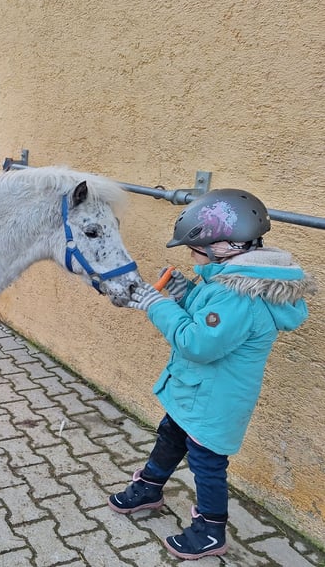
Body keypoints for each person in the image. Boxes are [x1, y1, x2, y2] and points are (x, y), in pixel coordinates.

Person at [108, 189, 316, 560]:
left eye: (194, 249)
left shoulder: (238, 295)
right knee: (171, 435)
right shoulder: (230, 281)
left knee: (207, 462)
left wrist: (156, 304)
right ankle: (151, 487)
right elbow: (209, 315)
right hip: (195, 393)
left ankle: (210, 530)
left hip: (214, 401)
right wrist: (185, 292)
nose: (191, 256)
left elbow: (198, 343)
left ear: (223, 246)